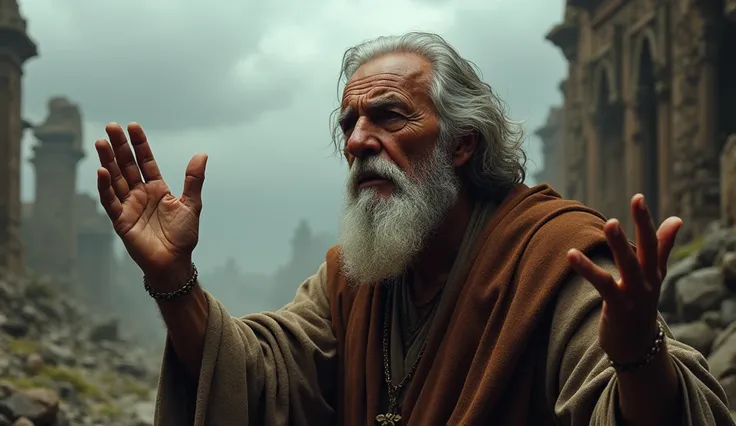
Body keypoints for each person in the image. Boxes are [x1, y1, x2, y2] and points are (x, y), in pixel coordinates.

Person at [94, 32, 732, 426]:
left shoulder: (557, 259)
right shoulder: (354, 276)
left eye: (388, 116)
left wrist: (636, 356)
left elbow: (647, 409)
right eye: (348, 124)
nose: (359, 141)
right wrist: (174, 279)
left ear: (460, 144)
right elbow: (263, 379)